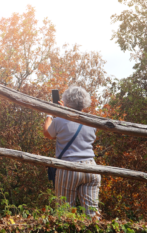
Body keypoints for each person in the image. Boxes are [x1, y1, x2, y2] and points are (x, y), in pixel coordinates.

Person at [43, 86, 101, 217]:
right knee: (92, 212)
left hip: (68, 168)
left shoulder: (59, 121)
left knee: (65, 211)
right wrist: (64, 110)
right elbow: (74, 123)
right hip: (91, 167)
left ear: (66, 100)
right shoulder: (92, 121)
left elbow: (47, 133)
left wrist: (50, 114)